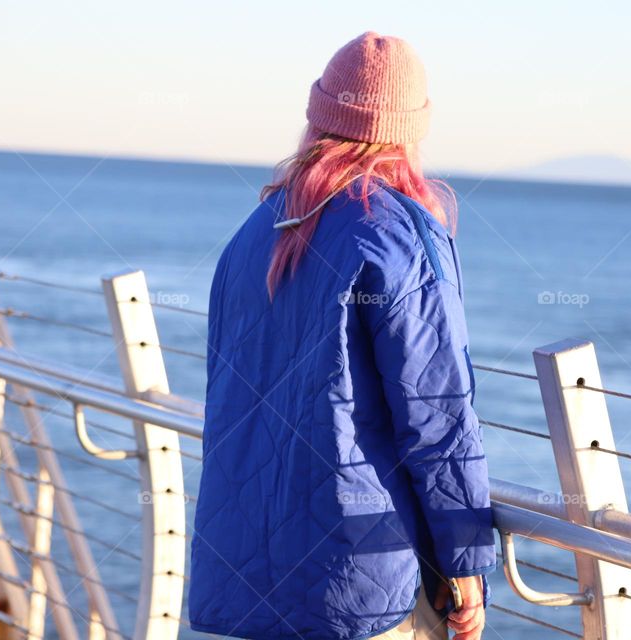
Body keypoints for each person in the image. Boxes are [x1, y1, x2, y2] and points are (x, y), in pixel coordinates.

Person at [189, 32, 495, 640]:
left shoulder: (257, 229)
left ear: (318, 114)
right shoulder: (398, 232)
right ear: (410, 130)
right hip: (358, 578)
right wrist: (465, 561)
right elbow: (436, 410)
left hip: (246, 567)